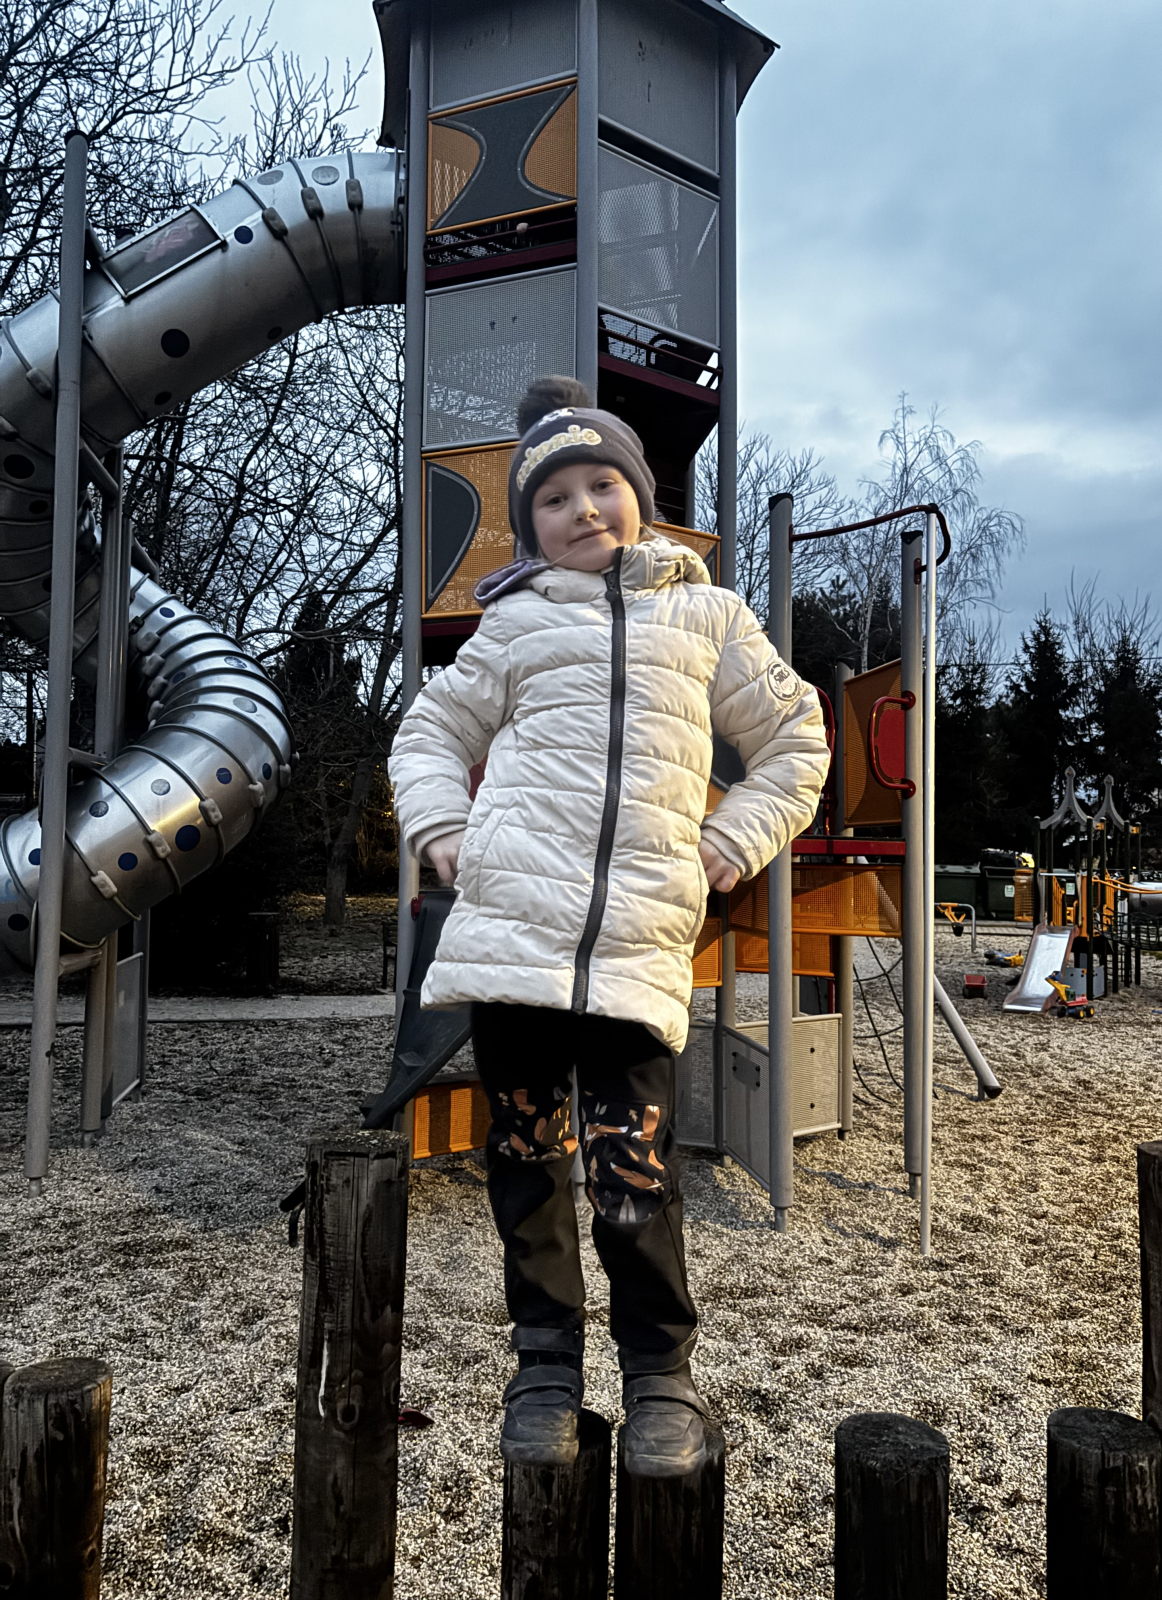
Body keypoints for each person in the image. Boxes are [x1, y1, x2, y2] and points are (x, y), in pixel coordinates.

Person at [389, 376, 829, 1478]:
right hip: (513, 941)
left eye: (602, 485)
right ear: (528, 523)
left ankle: (659, 1374)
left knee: (635, 1171)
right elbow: (429, 732)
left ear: (642, 497)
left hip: (637, 945)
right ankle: (544, 1366)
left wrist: (730, 841)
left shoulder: (708, 616)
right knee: (525, 1157)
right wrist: (444, 830)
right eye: (553, 497)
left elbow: (796, 739)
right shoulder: (515, 622)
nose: (582, 509)